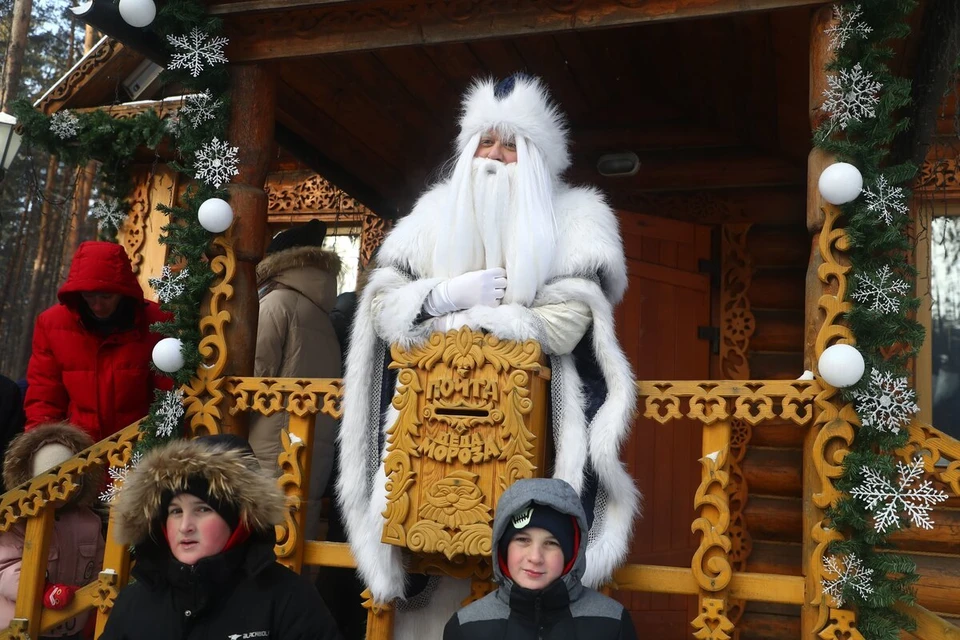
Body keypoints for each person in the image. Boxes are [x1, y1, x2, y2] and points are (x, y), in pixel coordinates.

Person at [338, 73, 639, 621]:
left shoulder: (579, 218)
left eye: (509, 144)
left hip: (534, 431)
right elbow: (383, 308)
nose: (495, 156)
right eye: (485, 141)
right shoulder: (431, 213)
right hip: (427, 434)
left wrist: (465, 320)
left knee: (527, 571)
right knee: (432, 584)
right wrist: (441, 295)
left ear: (534, 154)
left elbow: (568, 323)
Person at [100, 435, 343, 640]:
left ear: (239, 519)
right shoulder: (135, 602)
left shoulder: (288, 598)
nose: (185, 526)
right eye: (175, 512)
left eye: (203, 509)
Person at [443, 478, 636, 640]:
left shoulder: (612, 623)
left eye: (551, 543)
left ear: (571, 554)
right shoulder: (466, 627)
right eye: (522, 540)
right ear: (503, 547)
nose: (535, 557)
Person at [249, 219, 341, 542]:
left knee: (260, 546)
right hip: (308, 452)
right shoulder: (322, 315)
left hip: (268, 451)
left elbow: (256, 375)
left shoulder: (275, 304)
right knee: (296, 544)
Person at [24, 241, 171, 442]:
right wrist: (43, 446)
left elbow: (168, 394)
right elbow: (44, 395)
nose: (97, 305)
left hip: (140, 445)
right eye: (89, 296)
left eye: (106, 296)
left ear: (123, 292)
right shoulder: (51, 324)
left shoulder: (157, 322)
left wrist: (158, 441)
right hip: (78, 449)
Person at [0, 422, 105, 639]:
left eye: (68, 481)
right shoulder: (18, 522)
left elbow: (99, 565)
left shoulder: (89, 523)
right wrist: (44, 590)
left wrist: (91, 598)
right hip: (23, 626)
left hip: (71, 624)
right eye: (50, 481)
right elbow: (5, 569)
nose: (59, 491)